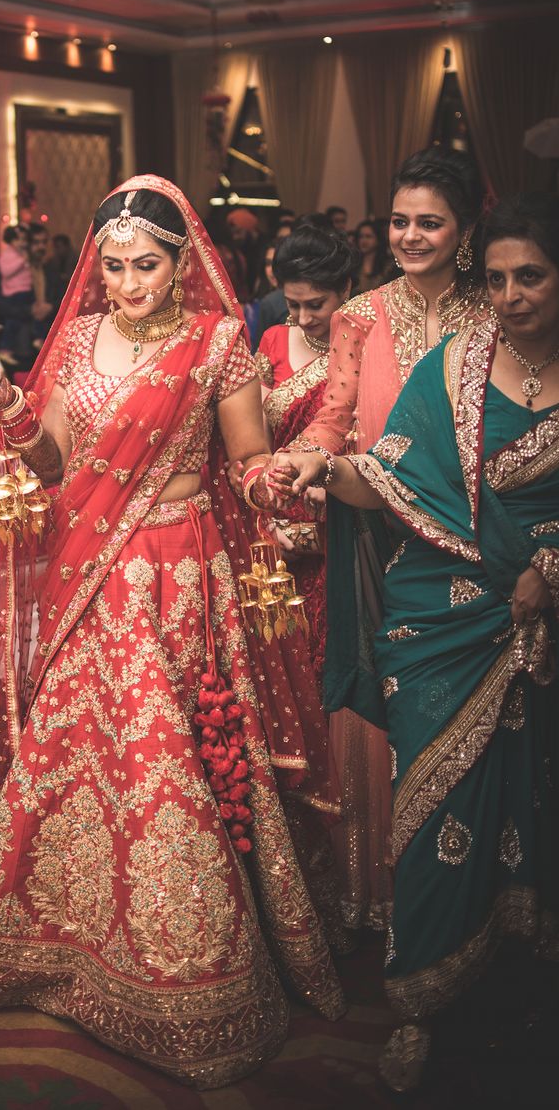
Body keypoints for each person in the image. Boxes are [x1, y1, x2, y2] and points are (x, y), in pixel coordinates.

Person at [0, 176, 345, 1089]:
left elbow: (243, 462)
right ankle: (58, 951)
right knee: (82, 757)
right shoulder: (76, 340)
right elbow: (49, 462)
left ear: (183, 261)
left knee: (173, 763)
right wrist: (6, 401)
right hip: (95, 575)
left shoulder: (216, 344)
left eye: (147, 265)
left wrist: (277, 480)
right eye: (114, 266)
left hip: (181, 576)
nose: (129, 284)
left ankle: (193, 974)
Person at [271, 192, 559, 1091]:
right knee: (434, 813)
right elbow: (388, 475)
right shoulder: (458, 366)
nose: (512, 296)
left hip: (540, 621)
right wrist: (320, 471)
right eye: (502, 278)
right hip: (445, 621)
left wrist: (548, 568)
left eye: (533, 276)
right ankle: (424, 1002)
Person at [265, 147, 488, 932]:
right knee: (383, 708)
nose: (410, 235)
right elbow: (337, 414)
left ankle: (469, 903)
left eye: (430, 222)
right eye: (400, 220)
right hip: (376, 535)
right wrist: (305, 457)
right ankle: (388, 897)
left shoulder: (493, 310)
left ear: (464, 230)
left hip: (473, 537)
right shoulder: (361, 314)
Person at [254, 224, 358, 687]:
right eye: (292, 304)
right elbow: (250, 446)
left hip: (341, 526)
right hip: (276, 532)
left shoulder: (367, 345)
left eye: (316, 304)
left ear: (347, 290)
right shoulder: (274, 341)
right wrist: (267, 522)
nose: (302, 317)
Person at [0, 224, 35, 365]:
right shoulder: (8, 254)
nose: (22, 243)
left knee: (27, 319)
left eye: (24, 240)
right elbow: (6, 271)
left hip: (25, 290)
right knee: (13, 322)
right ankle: (5, 349)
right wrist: (22, 261)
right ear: (11, 241)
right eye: (19, 240)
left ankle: (36, 339)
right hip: (14, 293)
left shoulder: (21, 253)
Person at [26, 222, 55, 348]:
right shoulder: (15, 271)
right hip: (23, 337)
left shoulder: (51, 268)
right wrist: (28, 310)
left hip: (47, 336)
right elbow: (1, 303)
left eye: (44, 242)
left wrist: (51, 307)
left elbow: (62, 296)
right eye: (36, 243)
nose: (41, 247)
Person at [354, 217, 396, 294]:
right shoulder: (354, 263)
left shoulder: (388, 266)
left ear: (378, 239)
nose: (364, 240)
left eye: (368, 236)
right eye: (361, 236)